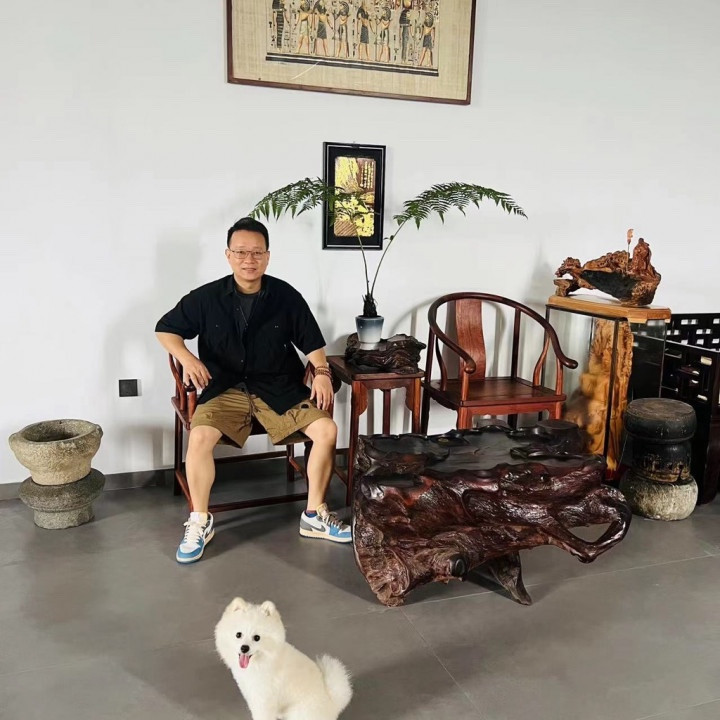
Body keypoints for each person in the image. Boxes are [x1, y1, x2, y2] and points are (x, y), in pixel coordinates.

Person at [155, 217, 350, 563]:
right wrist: (186, 357)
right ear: (228, 255)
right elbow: (165, 329)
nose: (249, 259)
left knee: (327, 430)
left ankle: (314, 515)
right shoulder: (206, 298)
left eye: (257, 252)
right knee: (199, 437)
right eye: (241, 252)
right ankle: (200, 520)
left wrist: (321, 372)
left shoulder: (286, 296)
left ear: (268, 256)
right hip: (224, 388)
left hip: (277, 387)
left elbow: (311, 341)